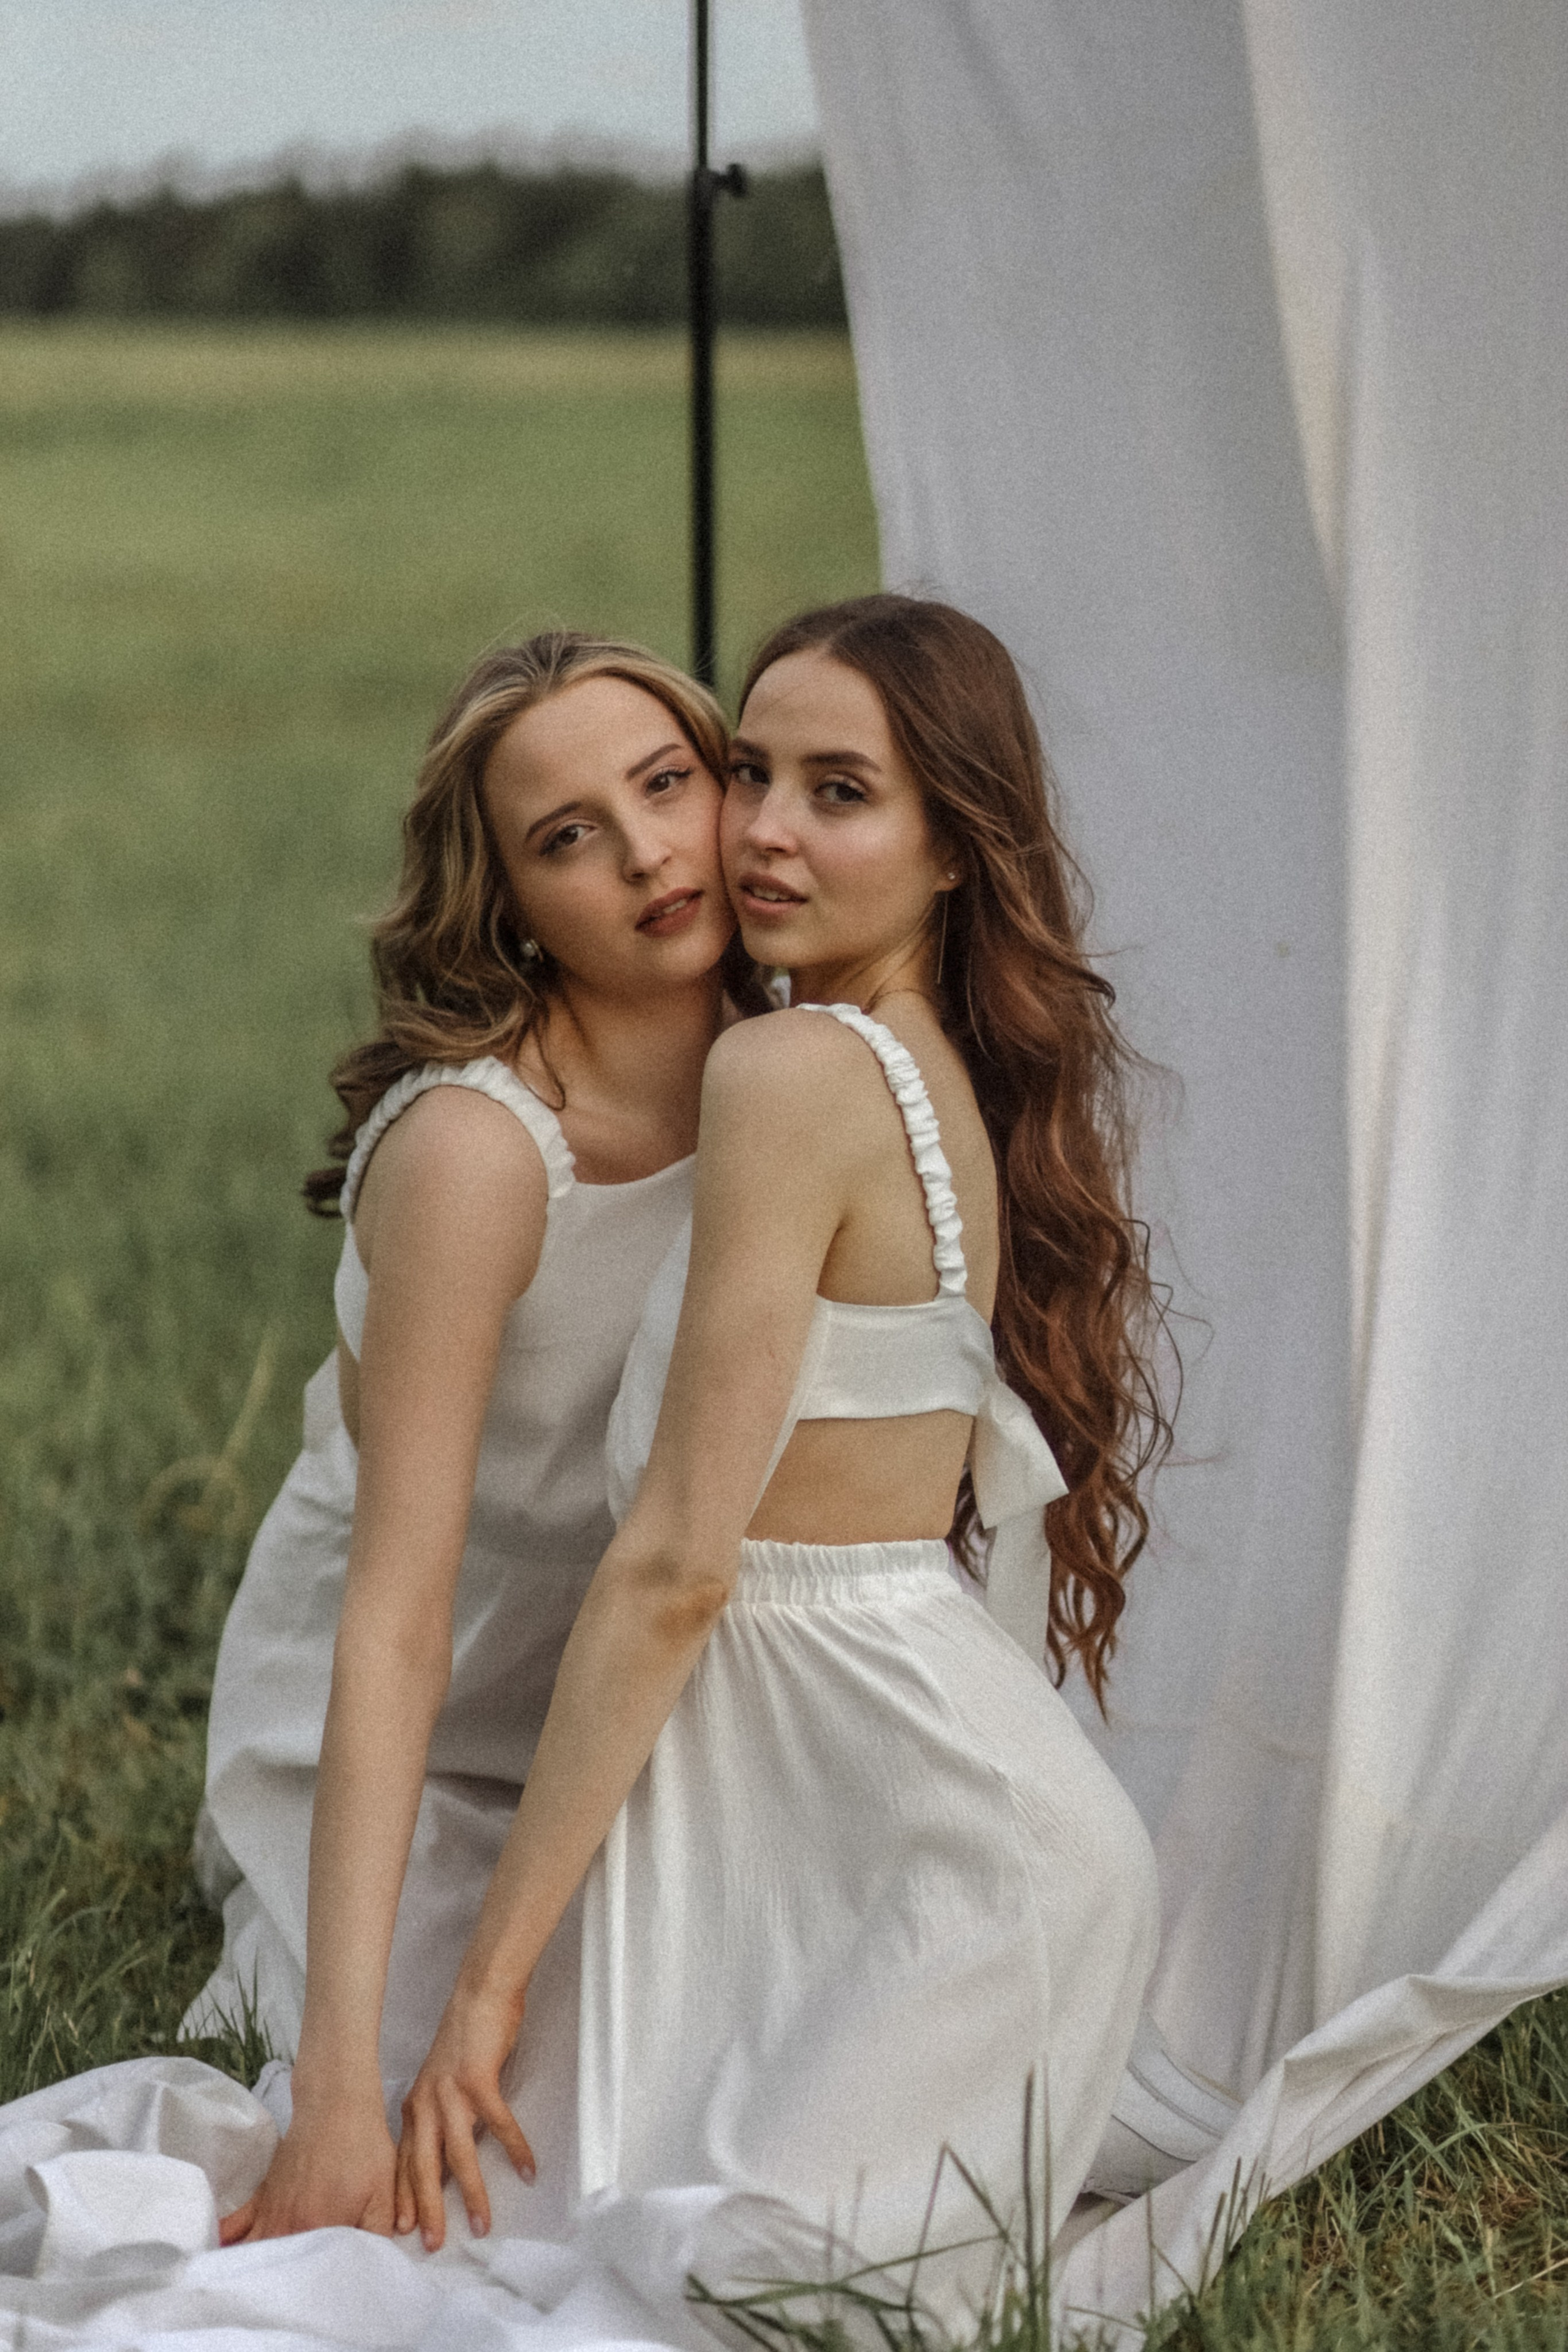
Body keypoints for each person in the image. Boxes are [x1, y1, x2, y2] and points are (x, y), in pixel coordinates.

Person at [388, 595, 1171, 2297]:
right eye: (753, 771)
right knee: (567, 2235)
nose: (759, 834)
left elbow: (678, 1566)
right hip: (942, 1825)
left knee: (653, 2277)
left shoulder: (793, 1070)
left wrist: (487, 1985)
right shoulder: (922, 1061)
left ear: (955, 844)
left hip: (938, 1862)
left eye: (842, 792)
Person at [197, 628, 756, 2242]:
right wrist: (332, 2089)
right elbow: (393, 1627)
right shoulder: (479, 1153)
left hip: (624, 1710)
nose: (649, 853)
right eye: (571, 836)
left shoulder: (799, 1073)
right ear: (508, 901)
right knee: (478, 2158)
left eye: (668, 786)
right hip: (412, 1727)